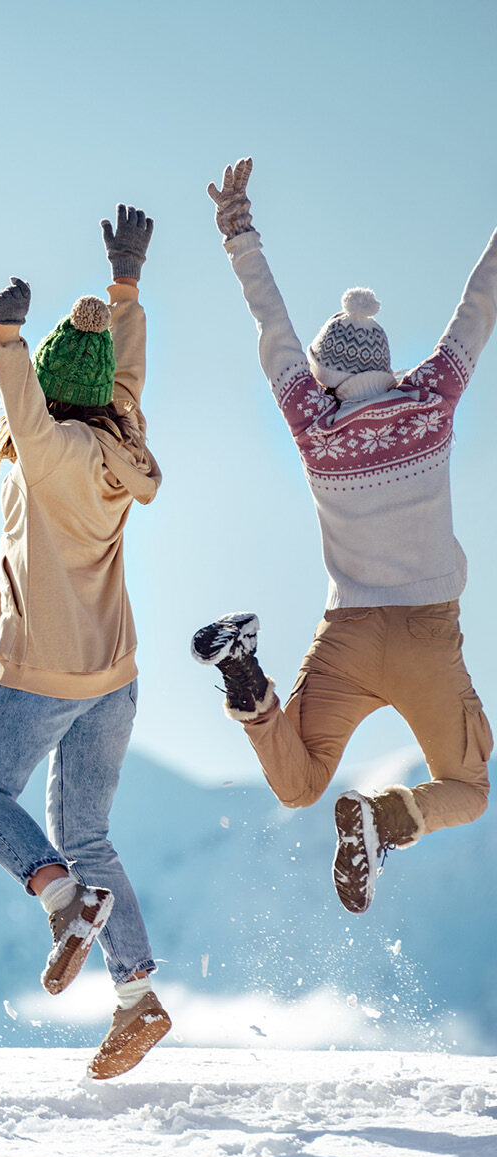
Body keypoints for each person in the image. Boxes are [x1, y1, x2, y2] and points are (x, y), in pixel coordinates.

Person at [193, 158, 497, 914]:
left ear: (325, 376)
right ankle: (384, 821)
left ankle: (244, 676)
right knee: (467, 790)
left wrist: (239, 234)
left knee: (298, 784)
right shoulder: (430, 402)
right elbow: (478, 306)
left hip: (349, 636)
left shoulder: (314, 426)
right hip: (428, 637)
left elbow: (274, 328)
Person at [0, 208, 171, 1079]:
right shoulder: (122, 438)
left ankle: (64, 900)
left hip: (45, 671)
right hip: (115, 674)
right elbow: (126, 375)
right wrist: (125, 286)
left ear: (46, 387)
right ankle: (137, 997)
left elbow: (20, 403)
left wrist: (4, 336)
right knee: (88, 833)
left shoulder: (48, 452)